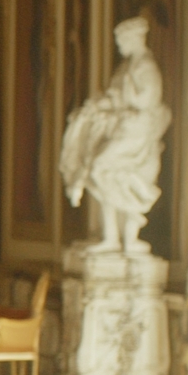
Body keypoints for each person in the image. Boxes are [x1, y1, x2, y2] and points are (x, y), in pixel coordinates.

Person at [59, 16, 172, 254]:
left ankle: (129, 233)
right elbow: (115, 95)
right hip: (124, 128)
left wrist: (118, 102)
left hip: (136, 133)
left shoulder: (146, 67)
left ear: (133, 39)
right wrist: (97, 106)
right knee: (102, 173)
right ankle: (112, 237)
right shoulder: (127, 65)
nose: (119, 46)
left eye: (121, 41)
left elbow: (145, 100)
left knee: (101, 167)